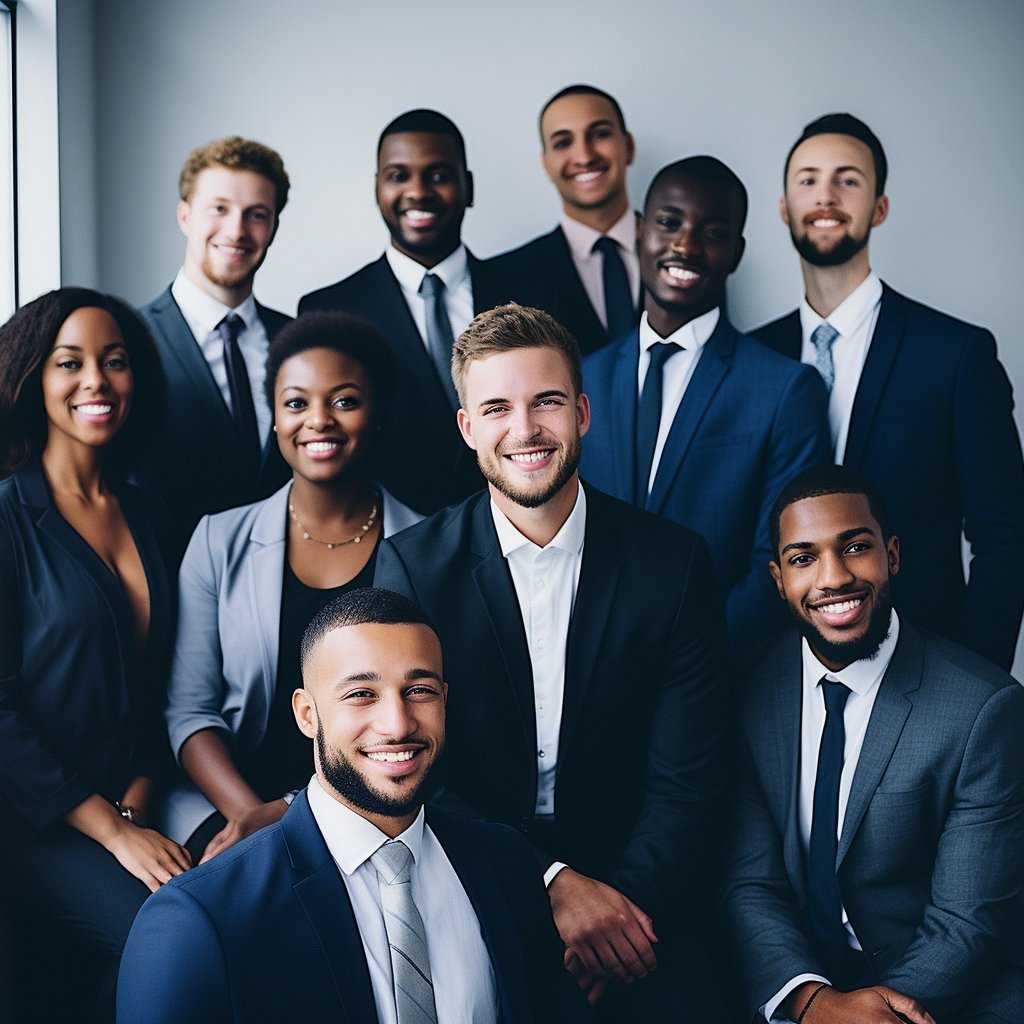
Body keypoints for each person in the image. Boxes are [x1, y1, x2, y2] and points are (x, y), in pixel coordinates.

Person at [374, 303, 728, 1020]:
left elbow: (688, 783)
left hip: (641, 885)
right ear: (468, 428)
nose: (526, 429)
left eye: (547, 403)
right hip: (466, 870)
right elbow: (410, 768)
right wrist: (551, 885)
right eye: (497, 407)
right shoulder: (410, 569)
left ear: (584, 413)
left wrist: (617, 923)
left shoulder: (675, 564)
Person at [118, 588, 594, 1023]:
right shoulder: (199, 917)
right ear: (307, 714)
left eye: (419, 690)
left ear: (445, 700)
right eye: (361, 694)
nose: (396, 724)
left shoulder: (506, 863)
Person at [722, 463, 1024, 1024]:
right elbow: (750, 883)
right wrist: (810, 1000)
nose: (833, 578)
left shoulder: (985, 709)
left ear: (893, 555)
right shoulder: (746, 692)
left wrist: (865, 1016)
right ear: (777, 579)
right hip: (804, 987)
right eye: (804, 558)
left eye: (855, 548)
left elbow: (967, 923)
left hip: (948, 994)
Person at [751, 113, 1024, 671]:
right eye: (807, 179)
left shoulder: (955, 354)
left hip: (923, 657)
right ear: (783, 206)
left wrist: (978, 683)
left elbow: (1005, 535)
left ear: (879, 206)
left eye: (848, 179)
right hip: (771, 670)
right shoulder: (750, 358)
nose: (825, 194)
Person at [159, 313, 423, 859]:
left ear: (376, 416)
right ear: (275, 419)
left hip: (376, 802)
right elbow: (190, 712)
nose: (318, 421)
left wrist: (288, 812)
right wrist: (251, 815)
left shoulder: (427, 546)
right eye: (297, 403)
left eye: (345, 401)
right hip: (227, 803)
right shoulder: (217, 541)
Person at [0, 288, 191, 1023]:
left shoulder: (148, 512)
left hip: (124, 800)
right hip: (31, 817)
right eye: (69, 362)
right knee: (158, 932)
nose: (96, 381)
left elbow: (153, 687)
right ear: (32, 377)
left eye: (114, 362)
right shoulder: (10, 517)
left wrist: (135, 803)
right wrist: (113, 832)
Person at [581, 157, 831, 648]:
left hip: (719, 674)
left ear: (736, 253)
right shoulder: (582, 376)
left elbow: (779, 558)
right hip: (588, 667)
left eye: (712, 232)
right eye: (669, 223)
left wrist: (688, 661)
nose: (686, 245)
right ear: (639, 231)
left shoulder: (784, 388)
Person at [299, 109, 554, 516]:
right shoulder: (328, 311)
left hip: (519, 525)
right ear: (378, 187)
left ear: (468, 187)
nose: (418, 191)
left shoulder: (532, 297)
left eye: (438, 175)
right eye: (399, 175)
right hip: (387, 537)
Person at [136, 136, 293, 559]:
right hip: (167, 582)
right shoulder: (128, 340)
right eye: (219, 208)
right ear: (185, 215)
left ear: (274, 226)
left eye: (256, 214)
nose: (237, 230)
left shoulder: (297, 342)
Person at [491, 85, 640, 356]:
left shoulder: (685, 249)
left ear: (628, 147)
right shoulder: (507, 276)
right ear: (546, 163)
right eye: (563, 142)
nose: (584, 156)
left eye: (600, 134)